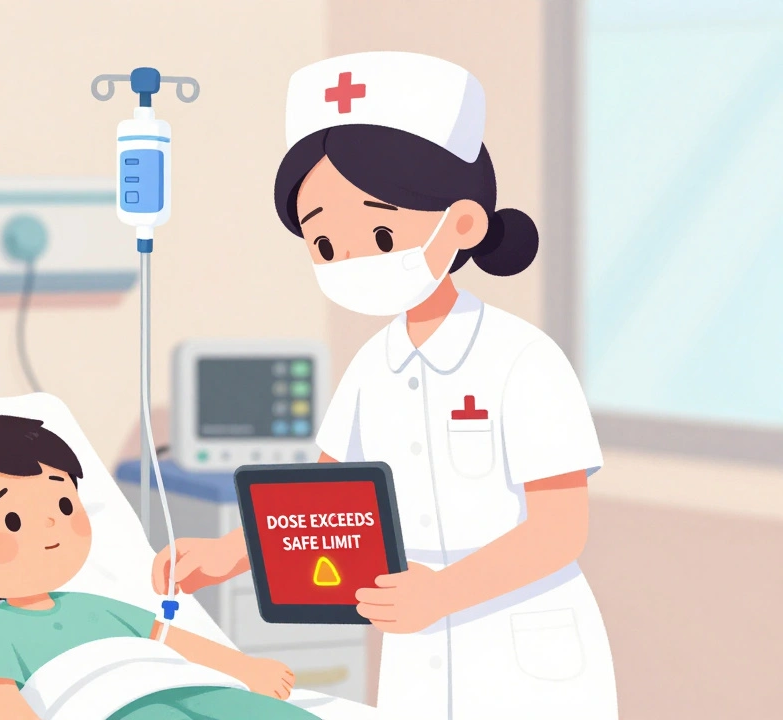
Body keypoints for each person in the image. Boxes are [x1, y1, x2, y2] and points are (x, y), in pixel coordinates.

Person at [151, 52, 618, 719]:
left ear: (462, 223)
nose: (354, 261)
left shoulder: (523, 359)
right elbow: (317, 503)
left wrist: (445, 593)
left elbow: (560, 530)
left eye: (378, 231)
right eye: (326, 244)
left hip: (521, 638)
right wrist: (225, 555)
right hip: (415, 637)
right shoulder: (375, 363)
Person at [0, 414, 319, 720]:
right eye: (12, 521)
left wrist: (245, 669)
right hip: (114, 708)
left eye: (62, 502)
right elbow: (0, 701)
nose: (54, 522)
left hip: (190, 686)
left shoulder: (94, 607)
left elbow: (170, 637)